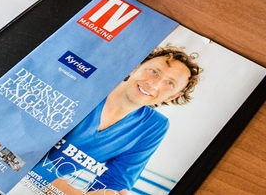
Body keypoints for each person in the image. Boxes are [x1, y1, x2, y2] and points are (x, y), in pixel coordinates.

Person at [36, 45, 202, 195]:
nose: (154, 84)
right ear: (135, 67)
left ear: (173, 96)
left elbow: (116, 181)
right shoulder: (83, 85)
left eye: (170, 83)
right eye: (153, 71)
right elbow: (22, 143)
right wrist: (61, 189)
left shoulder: (154, 126)